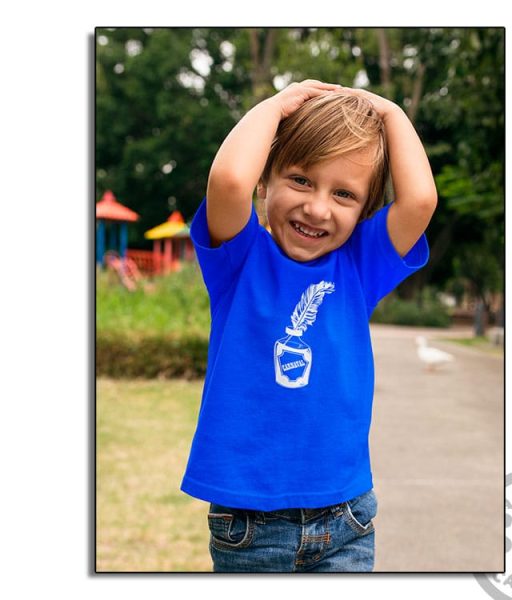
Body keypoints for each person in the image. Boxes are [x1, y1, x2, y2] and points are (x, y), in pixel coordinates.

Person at [180, 79, 437, 572]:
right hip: (253, 527)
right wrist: (276, 106)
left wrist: (389, 112)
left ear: (364, 212)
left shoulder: (360, 267)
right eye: (300, 179)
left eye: (344, 194)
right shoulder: (239, 257)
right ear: (266, 182)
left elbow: (420, 200)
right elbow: (229, 181)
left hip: (347, 519)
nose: (318, 208)